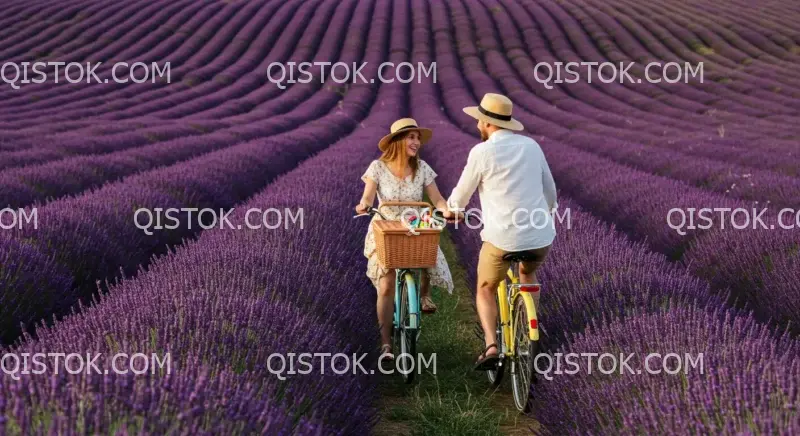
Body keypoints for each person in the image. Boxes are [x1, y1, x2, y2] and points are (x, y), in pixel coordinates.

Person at [446, 93, 558, 370]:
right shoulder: (531, 146)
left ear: (485, 122)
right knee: (527, 272)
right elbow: (550, 191)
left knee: (486, 287)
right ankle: (529, 330)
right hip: (540, 235)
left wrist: (453, 210)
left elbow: (461, 195)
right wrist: (546, 212)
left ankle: (491, 346)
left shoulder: (481, 152)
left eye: (478, 122)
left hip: (502, 238)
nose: (477, 126)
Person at [355, 118, 455, 358]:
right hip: (387, 228)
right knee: (387, 284)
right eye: (411, 137)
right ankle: (386, 343)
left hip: (414, 225)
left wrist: (445, 208)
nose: (416, 142)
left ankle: (423, 294)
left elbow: (437, 198)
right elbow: (368, 197)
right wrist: (363, 205)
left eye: (418, 138)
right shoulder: (377, 168)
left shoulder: (422, 169)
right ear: (398, 141)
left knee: (425, 250)